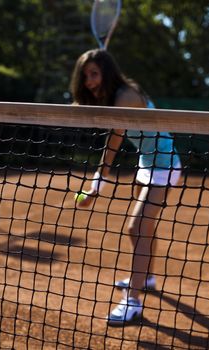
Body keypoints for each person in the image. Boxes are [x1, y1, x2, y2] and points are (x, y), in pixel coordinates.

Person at [70, 49, 181, 325]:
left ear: (107, 72)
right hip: (147, 163)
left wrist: (98, 184)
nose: (89, 81)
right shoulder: (112, 96)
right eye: (85, 75)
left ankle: (132, 302)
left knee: (137, 226)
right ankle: (148, 277)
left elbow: (115, 137)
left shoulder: (126, 96)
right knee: (146, 226)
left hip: (165, 164)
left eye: (94, 73)